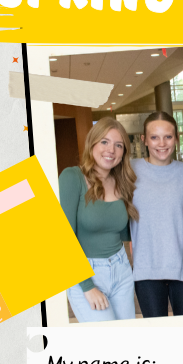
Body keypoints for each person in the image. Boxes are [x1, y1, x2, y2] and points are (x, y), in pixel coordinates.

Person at [60, 117, 138, 322]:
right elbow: (63, 238)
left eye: (118, 145)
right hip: (87, 272)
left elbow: (122, 232)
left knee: (126, 344)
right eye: (104, 142)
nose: (111, 149)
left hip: (121, 270)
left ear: (123, 153)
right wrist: (87, 286)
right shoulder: (72, 177)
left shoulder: (122, 181)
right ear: (92, 144)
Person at [130, 111, 183, 318]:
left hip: (182, 265)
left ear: (176, 139)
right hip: (147, 268)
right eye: (154, 137)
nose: (162, 143)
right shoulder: (129, 171)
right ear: (144, 140)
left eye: (168, 136)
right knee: (156, 335)